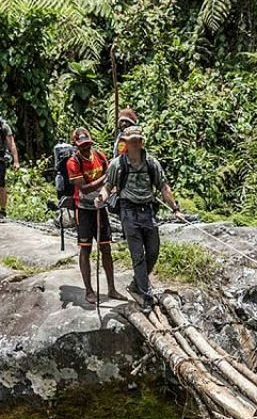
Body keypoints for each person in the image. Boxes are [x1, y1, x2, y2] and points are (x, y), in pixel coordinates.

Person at [98, 125, 181, 311]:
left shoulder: (152, 163)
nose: (134, 144)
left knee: (153, 250)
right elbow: (108, 186)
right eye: (131, 141)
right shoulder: (117, 164)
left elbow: (163, 187)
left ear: (141, 142)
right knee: (138, 255)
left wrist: (175, 208)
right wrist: (101, 198)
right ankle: (146, 297)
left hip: (148, 211)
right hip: (128, 212)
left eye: (137, 141)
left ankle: (136, 284)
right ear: (125, 144)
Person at [66, 127, 119, 304]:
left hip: (100, 206)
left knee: (105, 248)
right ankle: (89, 290)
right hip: (84, 208)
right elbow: (84, 187)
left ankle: (111, 288)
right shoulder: (73, 163)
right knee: (85, 248)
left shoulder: (100, 156)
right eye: (82, 146)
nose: (86, 148)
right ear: (76, 145)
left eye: (88, 145)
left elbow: (111, 176)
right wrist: (105, 177)